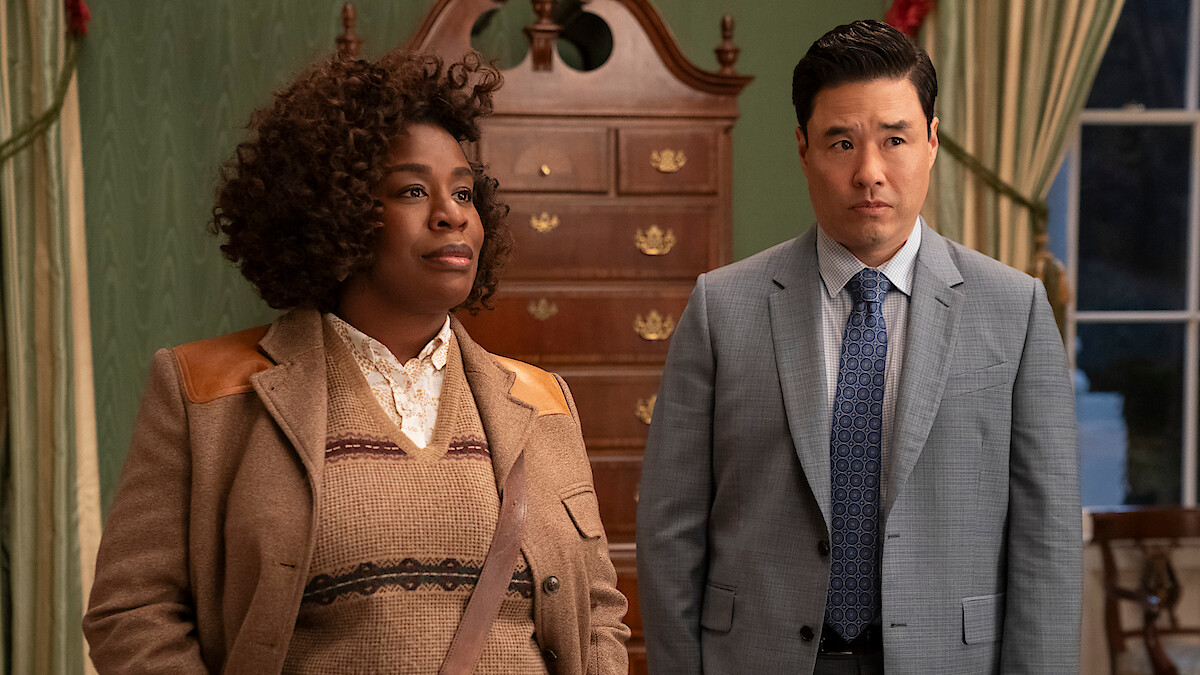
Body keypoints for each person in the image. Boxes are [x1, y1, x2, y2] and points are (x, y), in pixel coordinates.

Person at [83, 50, 629, 674]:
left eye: (463, 192)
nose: (452, 213)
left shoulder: (542, 399)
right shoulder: (204, 393)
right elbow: (133, 613)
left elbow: (598, 614)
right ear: (335, 212)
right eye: (413, 191)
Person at [636, 19, 1080, 674]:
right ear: (802, 149)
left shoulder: (1014, 309)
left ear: (932, 142)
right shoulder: (720, 308)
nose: (869, 173)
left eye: (894, 139)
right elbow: (669, 531)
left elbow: (1049, 541)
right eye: (841, 142)